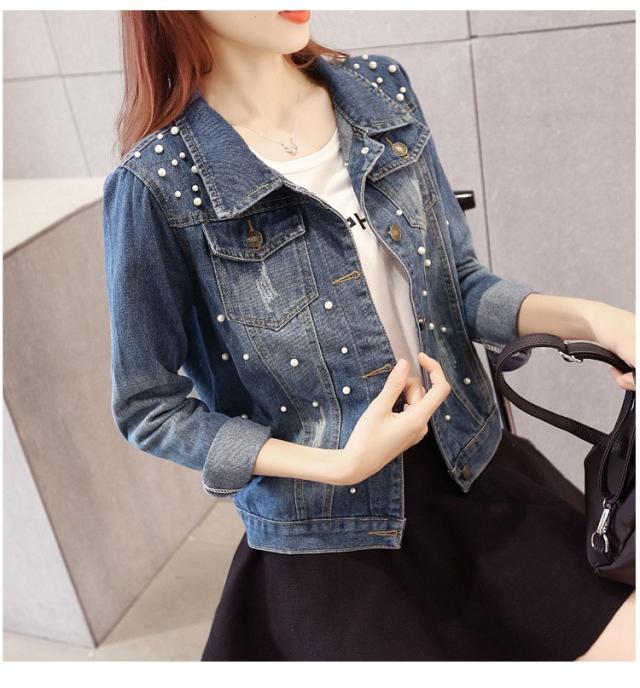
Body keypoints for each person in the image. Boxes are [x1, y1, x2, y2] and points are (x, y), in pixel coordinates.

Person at [102, 10, 636, 661]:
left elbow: (459, 285)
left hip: (470, 463)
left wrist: (601, 322)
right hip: (330, 532)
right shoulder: (157, 184)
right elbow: (149, 407)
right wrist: (339, 464)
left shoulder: (380, 90)